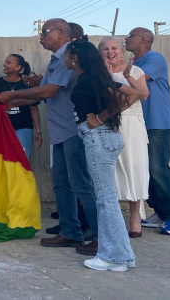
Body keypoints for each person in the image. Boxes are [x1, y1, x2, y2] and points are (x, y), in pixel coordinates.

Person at [0, 19, 99, 256]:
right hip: (60, 132)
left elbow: (49, 91)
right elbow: (41, 95)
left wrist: (12, 96)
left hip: (75, 131)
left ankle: (101, 235)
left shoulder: (69, 57)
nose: (41, 36)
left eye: (45, 32)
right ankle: (70, 232)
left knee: (81, 185)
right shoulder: (56, 60)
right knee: (62, 184)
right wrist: (8, 101)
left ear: (61, 33)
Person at [64, 39, 141, 271]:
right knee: (106, 199)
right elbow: (134, 94)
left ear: (75, 58)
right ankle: (121, 257)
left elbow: (131, 96)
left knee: (105, 199)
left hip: (98, 137)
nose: (64, 59)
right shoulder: (93, 78)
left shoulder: (87, 79)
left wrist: (100, 118)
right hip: (104, 138)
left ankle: (113, 257)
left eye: (67, 55)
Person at [125, 27, 170, 235]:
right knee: (145, 170)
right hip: (139, 124)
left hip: (157, 122)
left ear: (144, 40)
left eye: (131, 36)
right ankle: (159, 212)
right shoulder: (134, 64)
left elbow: (135, 81)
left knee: (159, 169)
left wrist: (121, 70)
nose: (126, 39)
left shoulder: (155, 58)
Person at [98, 36, 150, 237]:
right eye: (105, 49)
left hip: (132, 125)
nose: (110, 52)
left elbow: (143, 95)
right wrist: (106, 78)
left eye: (114, 48)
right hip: (109, 123)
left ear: (121, 51)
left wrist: (128, 76)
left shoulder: (135, 71)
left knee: (134, 168)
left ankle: (135, 217)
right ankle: (114, 218)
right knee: (111, 172)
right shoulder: (99, 73)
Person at [0, 54, 42, 160]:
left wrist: (39, 131)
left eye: (8, 62)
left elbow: (34, 109)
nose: (4, 64)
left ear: (18, 67)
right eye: (5, 61)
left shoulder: (27, 83)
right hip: (0, 129)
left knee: (21, 161)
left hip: (23, 129)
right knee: (1, 162)